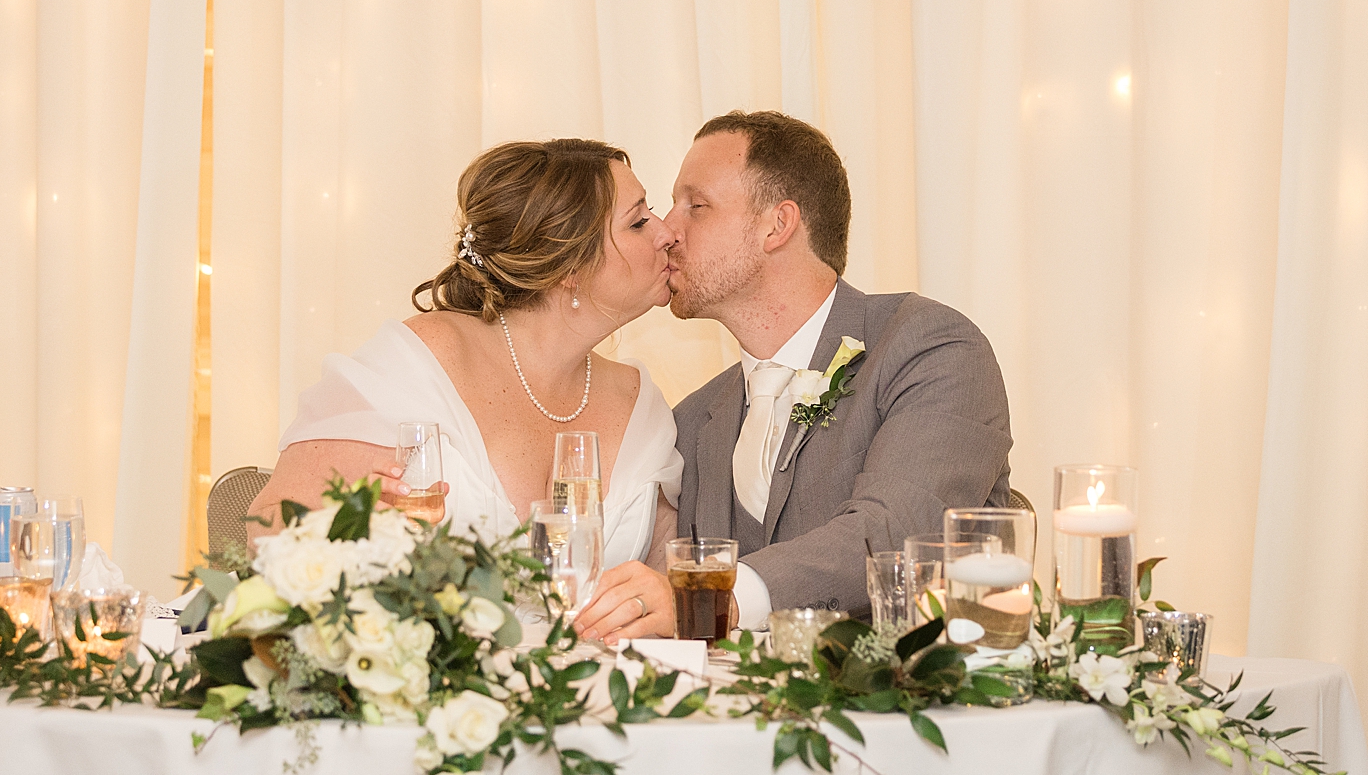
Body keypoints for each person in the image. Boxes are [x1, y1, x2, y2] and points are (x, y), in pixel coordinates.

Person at [575, 111, 1012, 643]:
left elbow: (895, 532)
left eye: (696, 206)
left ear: (777, 225)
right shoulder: (691, 421)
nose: (667, 231)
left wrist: (713, 601)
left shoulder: (931, 349)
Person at [248, 139, 683, 567]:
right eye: (638, 221)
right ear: (569, 265)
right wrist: (350, 523)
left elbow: (668, 576)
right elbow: (267, 531)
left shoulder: (638, 399)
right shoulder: (420, 362)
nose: (667, 232)